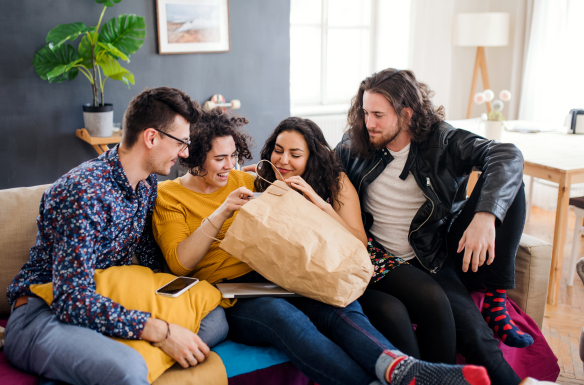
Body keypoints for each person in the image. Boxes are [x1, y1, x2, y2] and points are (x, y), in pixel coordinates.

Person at [153, 108, 491, 385]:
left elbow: (281, 187)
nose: (231, 166)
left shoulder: (243, 177)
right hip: (232, 295)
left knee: (340, 309)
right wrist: (222, 209)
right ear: (193, 157)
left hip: (276, 276)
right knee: (286, 319)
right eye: (220, 159)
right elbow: (180, 264)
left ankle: (402, 367)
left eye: (233, 156)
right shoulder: (170, 196)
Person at [4, 87, 228, 385]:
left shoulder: (146, 186)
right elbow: (72, 298)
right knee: (128, 370)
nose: (185, 152)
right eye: (181, 142)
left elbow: (150, 260)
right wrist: (160, 331)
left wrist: (175, 295)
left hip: (109, 298)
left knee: (215, 317)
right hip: (45, 314)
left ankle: (123, 358)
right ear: (151, 138)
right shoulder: (84, 191)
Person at [335, 68, 531, 385]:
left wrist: (485, 217)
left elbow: (507, 154)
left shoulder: (443, 140)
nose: (368, 123)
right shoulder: (353, 145)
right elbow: (317, 171)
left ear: (407, 114)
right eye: (365, 112)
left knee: (511, 181)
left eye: (378, 115)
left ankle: (497, 298)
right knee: (472, 337)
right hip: (384, 263)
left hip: (435, 257)